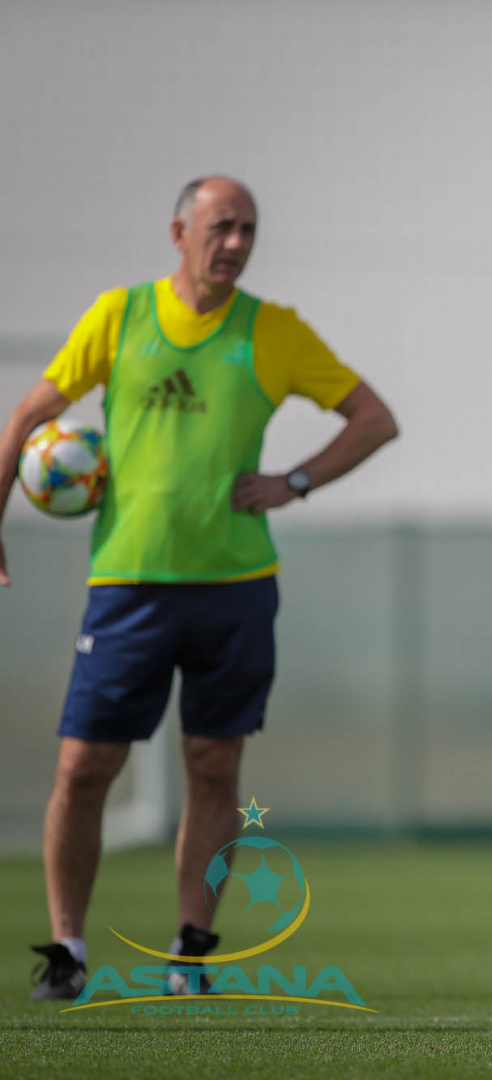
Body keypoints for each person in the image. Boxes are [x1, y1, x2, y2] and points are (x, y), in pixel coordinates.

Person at [0, 176, 399, 1001]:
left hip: (236, 588)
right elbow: (26, 419)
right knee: (85, 765)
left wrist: (293, 481)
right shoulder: (120, 317)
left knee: (214, 765)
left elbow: (374, 418)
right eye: (221, 226)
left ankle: (190, 950)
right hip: (128, 587)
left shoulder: (273, 330)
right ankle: (67, 950)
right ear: (179, 232)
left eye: (248, 229)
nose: (237, 243)